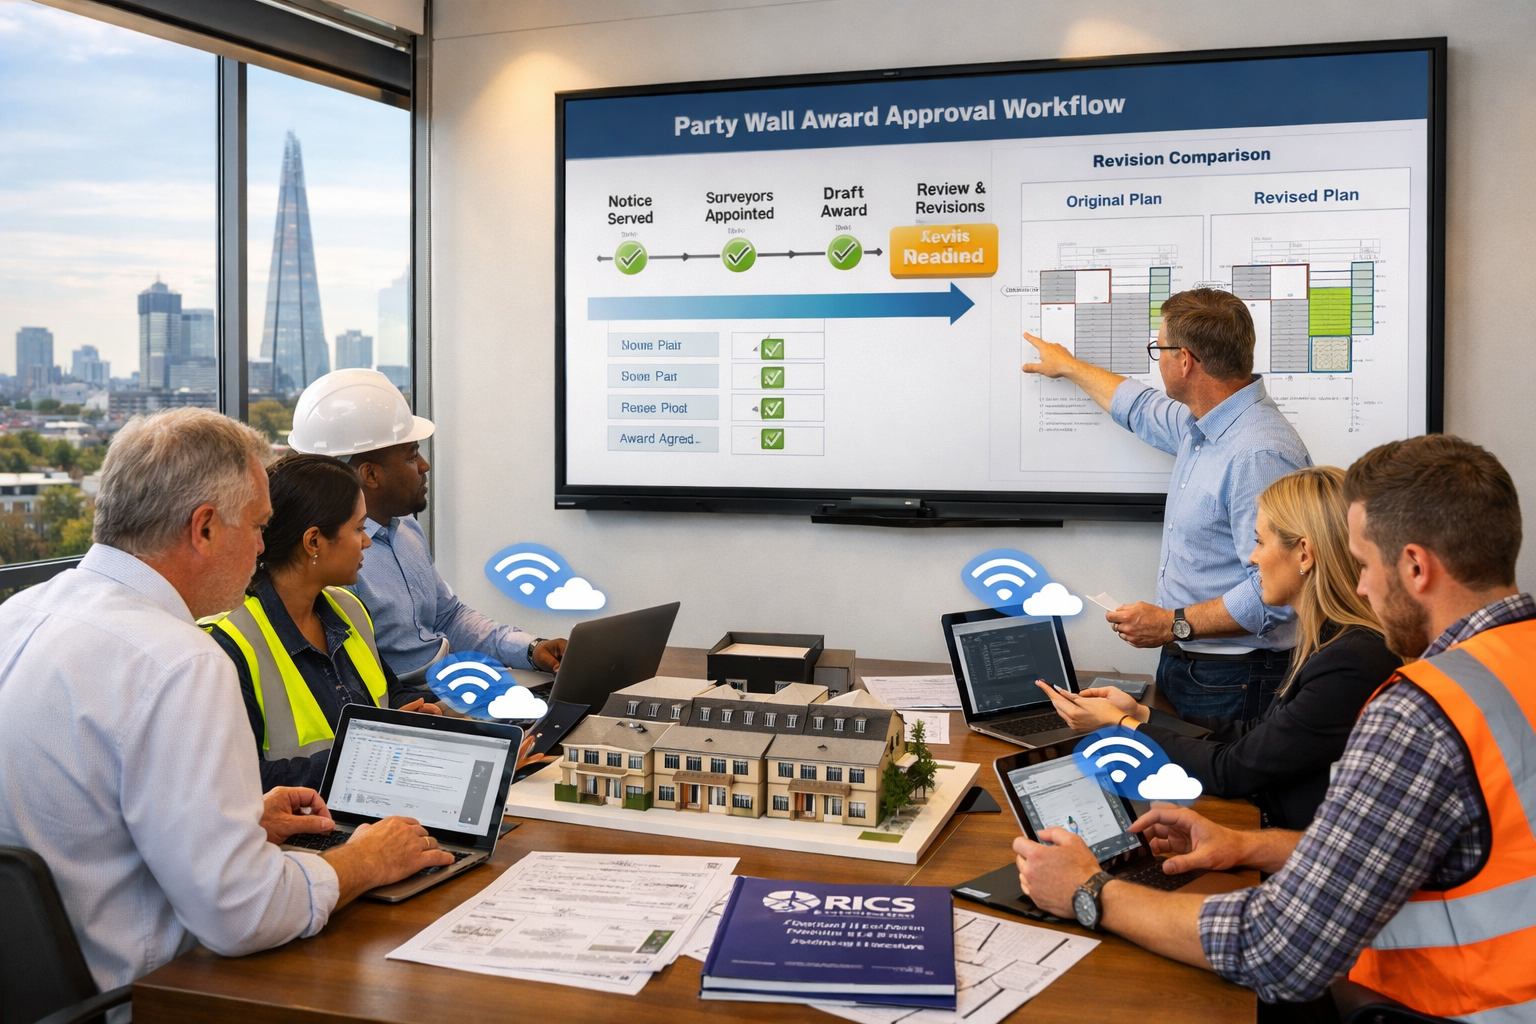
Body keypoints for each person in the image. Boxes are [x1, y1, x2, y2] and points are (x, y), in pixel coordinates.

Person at [1012, 434, 1536, 1022]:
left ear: (1414, 566)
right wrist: (1251, 844)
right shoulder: (1512, 665)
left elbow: (1276, 949)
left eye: (1364, 565)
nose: (1360, 587)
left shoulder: (1420, 712)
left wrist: (1090, 892)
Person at [0, 408, 453, 994]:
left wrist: (240, 823)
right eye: (260, 526)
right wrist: (364, 861)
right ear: (205, 527)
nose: (265, 548)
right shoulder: (179, 662)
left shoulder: (19, 614)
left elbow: (86, 818)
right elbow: (243, 913)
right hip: (157, 996)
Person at [1036, 466, 1400, 829]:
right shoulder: (1331, 641)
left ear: (1304, 554)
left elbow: (1233, 770)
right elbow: (1253, 735)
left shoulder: (1349, 663)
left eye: (1259, 541)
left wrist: (1121, 725)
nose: (1253, 558)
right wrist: (1141, 715)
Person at [1024, 288, 1311, 720]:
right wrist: (1068, 366)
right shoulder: (1204, 423)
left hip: (1236, 678)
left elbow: (1274, 595)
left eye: (1159, 347)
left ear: (1185, 360)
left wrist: (1172, 623)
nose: (1156, 358)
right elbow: (1137, 407)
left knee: (1216, 787)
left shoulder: (1258, 454)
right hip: (1192, 667)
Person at [285, 369, 567, 682]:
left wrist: (529, 649)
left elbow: (449, 616)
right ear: (371, 475)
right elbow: (348, 680)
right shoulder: (335, 559)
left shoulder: (407, 529)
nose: (424, 466)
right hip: (408, 703)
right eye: (411, 456)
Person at [207, 453, 449, 791]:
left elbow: (386, 692)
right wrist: (366, 756)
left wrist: (412, 715)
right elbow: (240, 779)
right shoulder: (226, 646)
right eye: (359, 528)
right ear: (314, 542)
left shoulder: (348, 609)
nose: (366, 541)